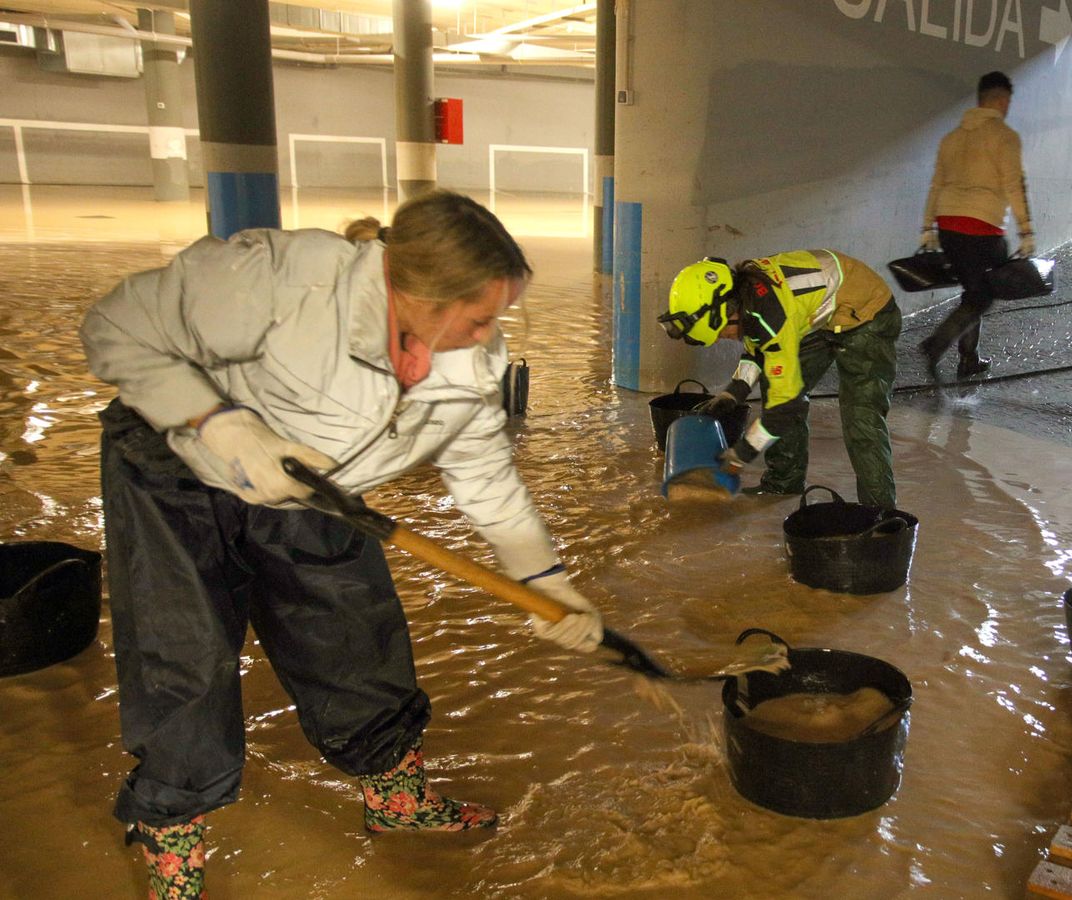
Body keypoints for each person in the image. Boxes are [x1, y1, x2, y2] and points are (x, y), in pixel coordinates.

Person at [79, 190, 604, 898]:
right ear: (419, 297)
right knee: (186, 655)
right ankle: (172, 838)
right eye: (480, 318)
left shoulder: (469, 360)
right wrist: (216, 422)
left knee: (353, 626)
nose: (489, 336)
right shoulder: (288, 279)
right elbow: (114, 327)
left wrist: (543, 580)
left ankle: (396, 801)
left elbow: (485, 475)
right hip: (172, 458)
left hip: (310, 476)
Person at [656, 250, 900, 508]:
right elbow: (757, 350)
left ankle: (880, 513)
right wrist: (732, 394)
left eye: (720, 333)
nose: (722, 339)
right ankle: (784, 482)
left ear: (728, 311)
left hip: (866, 310)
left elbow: (784, 407)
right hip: (821, 315)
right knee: (776, 385)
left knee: (861, 417)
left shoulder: (770, 316)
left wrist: (740, 455)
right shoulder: (744, 296)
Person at [918, 70, 1034, 382]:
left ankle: (969, 359)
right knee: (982, 296)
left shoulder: (951, 138)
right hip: (982, 228)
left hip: (948, 228)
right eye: (1007, 101)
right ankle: (937, 343)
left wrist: (927, 228)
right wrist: (1026, 230)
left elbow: (936, 185)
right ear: (1001, 100)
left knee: (974, 290)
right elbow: (1015, 185)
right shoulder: (1005, 137)